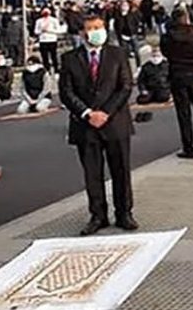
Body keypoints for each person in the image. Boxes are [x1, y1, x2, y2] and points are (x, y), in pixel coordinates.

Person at [58, 15, 137, 235]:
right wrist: (87, 113)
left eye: (99, 27)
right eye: (90, 28)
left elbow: (125, 86)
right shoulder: (69, 59)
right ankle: (98, 215)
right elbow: (66, 92)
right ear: (83, 33)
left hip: (115, 122)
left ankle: (124, 213)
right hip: (85, 124)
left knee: (121, 170)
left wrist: (106, 113)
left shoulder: (117, 54)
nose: (95, 32)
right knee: (93, 173)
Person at [161, 9, 193, 159]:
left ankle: (188, 147)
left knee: (183, 114)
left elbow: (166, 53)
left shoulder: (167, 38)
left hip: (178, 76)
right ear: (187, 19)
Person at [34, 8, 63, 73]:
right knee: (44, 56)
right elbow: (36, 31)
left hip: (52, 39)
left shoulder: (54, 20)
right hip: (43, 40)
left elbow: (58, 30)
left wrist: (49, 30)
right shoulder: (39, 21)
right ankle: (47, 69)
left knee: (53, 55)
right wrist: (41, 31)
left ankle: (56, 69)